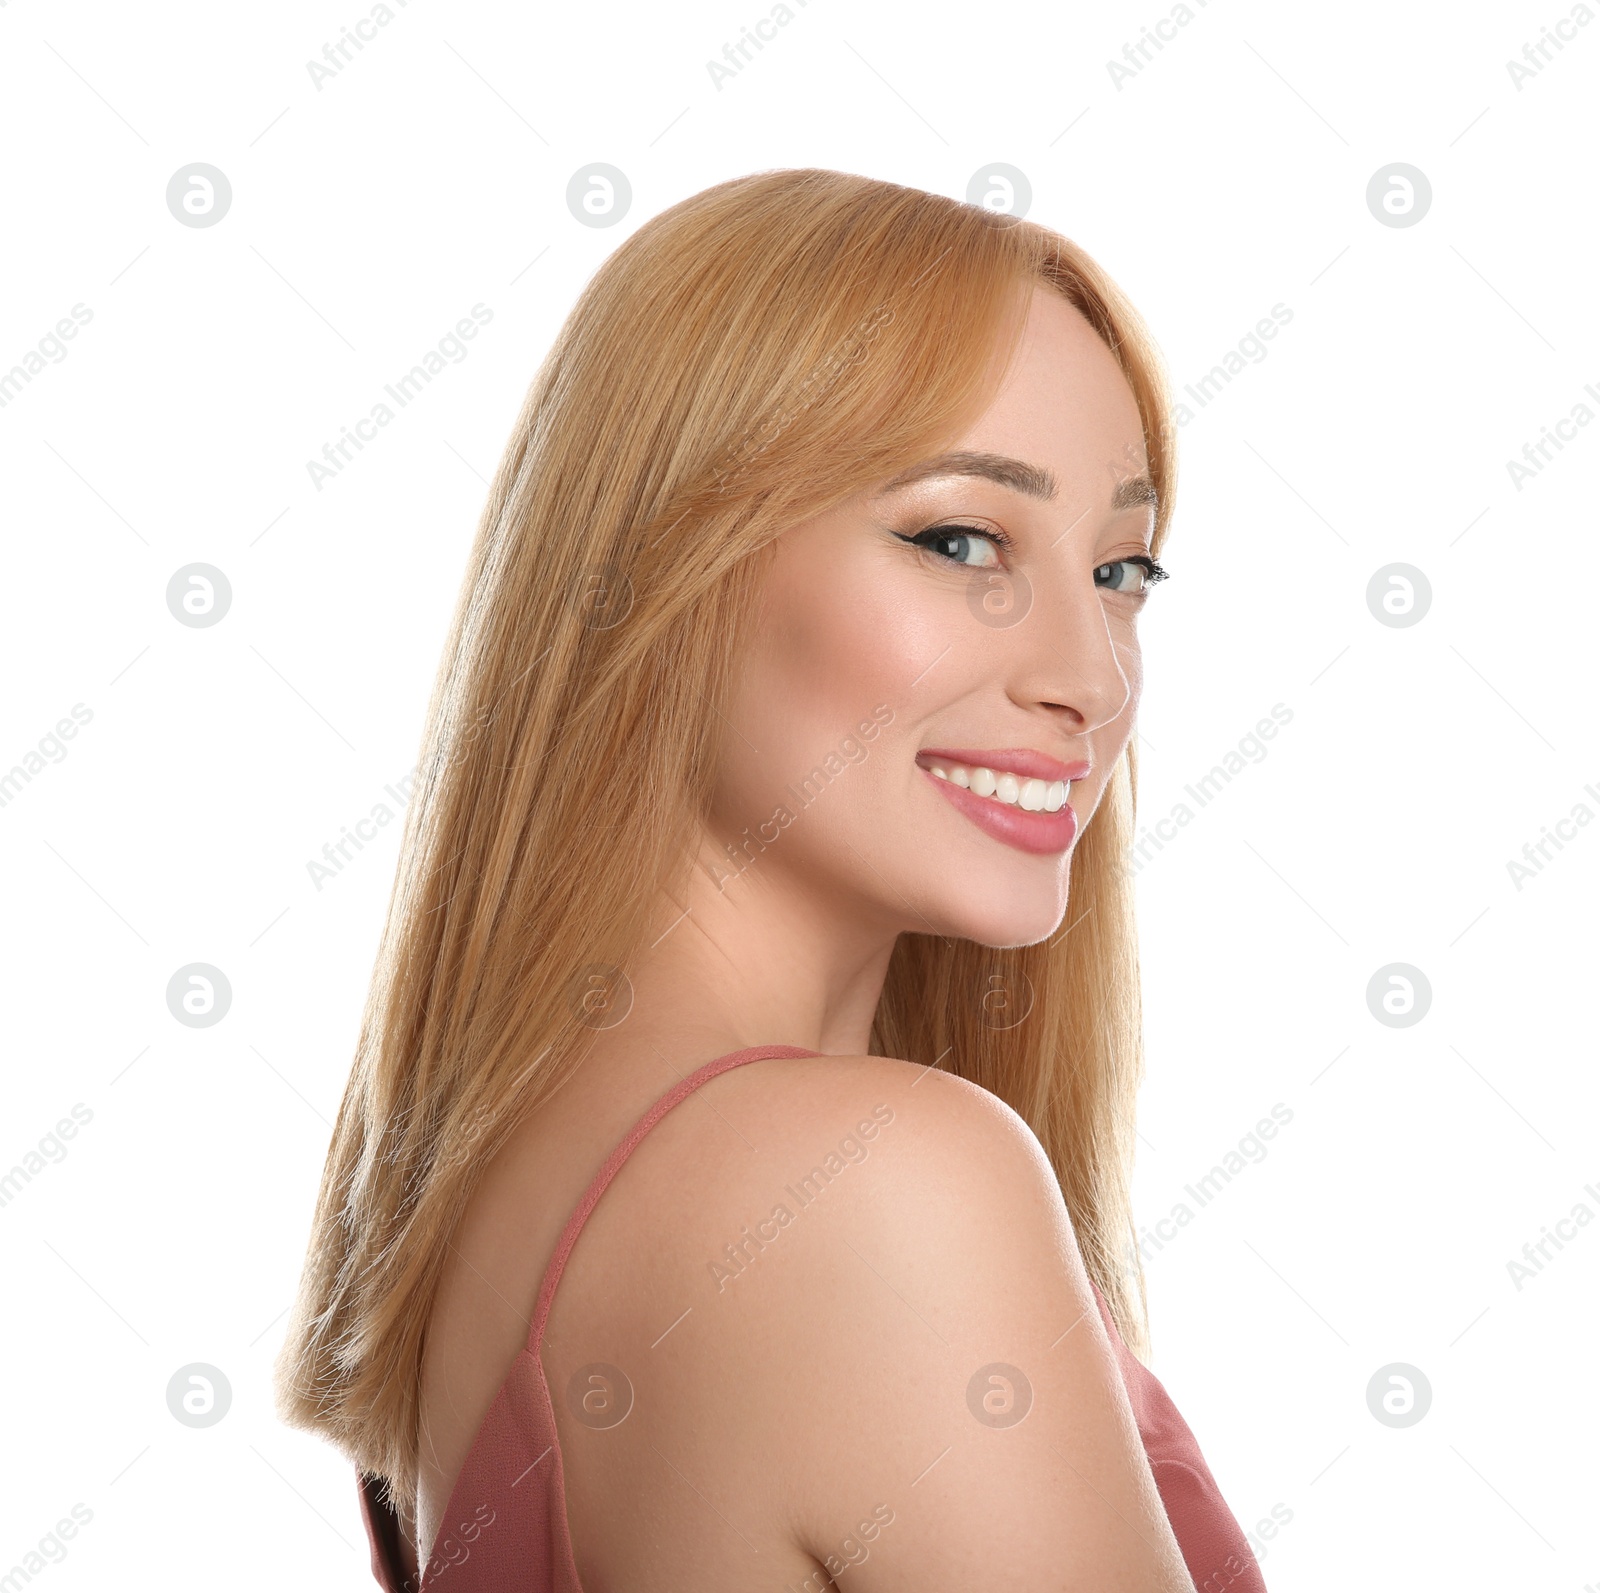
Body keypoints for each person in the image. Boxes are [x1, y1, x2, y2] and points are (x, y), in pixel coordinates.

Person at [276, 167, 1267, 1592]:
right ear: (672, 562)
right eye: (959, 539)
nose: (1088, 675)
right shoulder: (877, 1191)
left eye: (1123, 569)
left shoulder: (473, 1201)